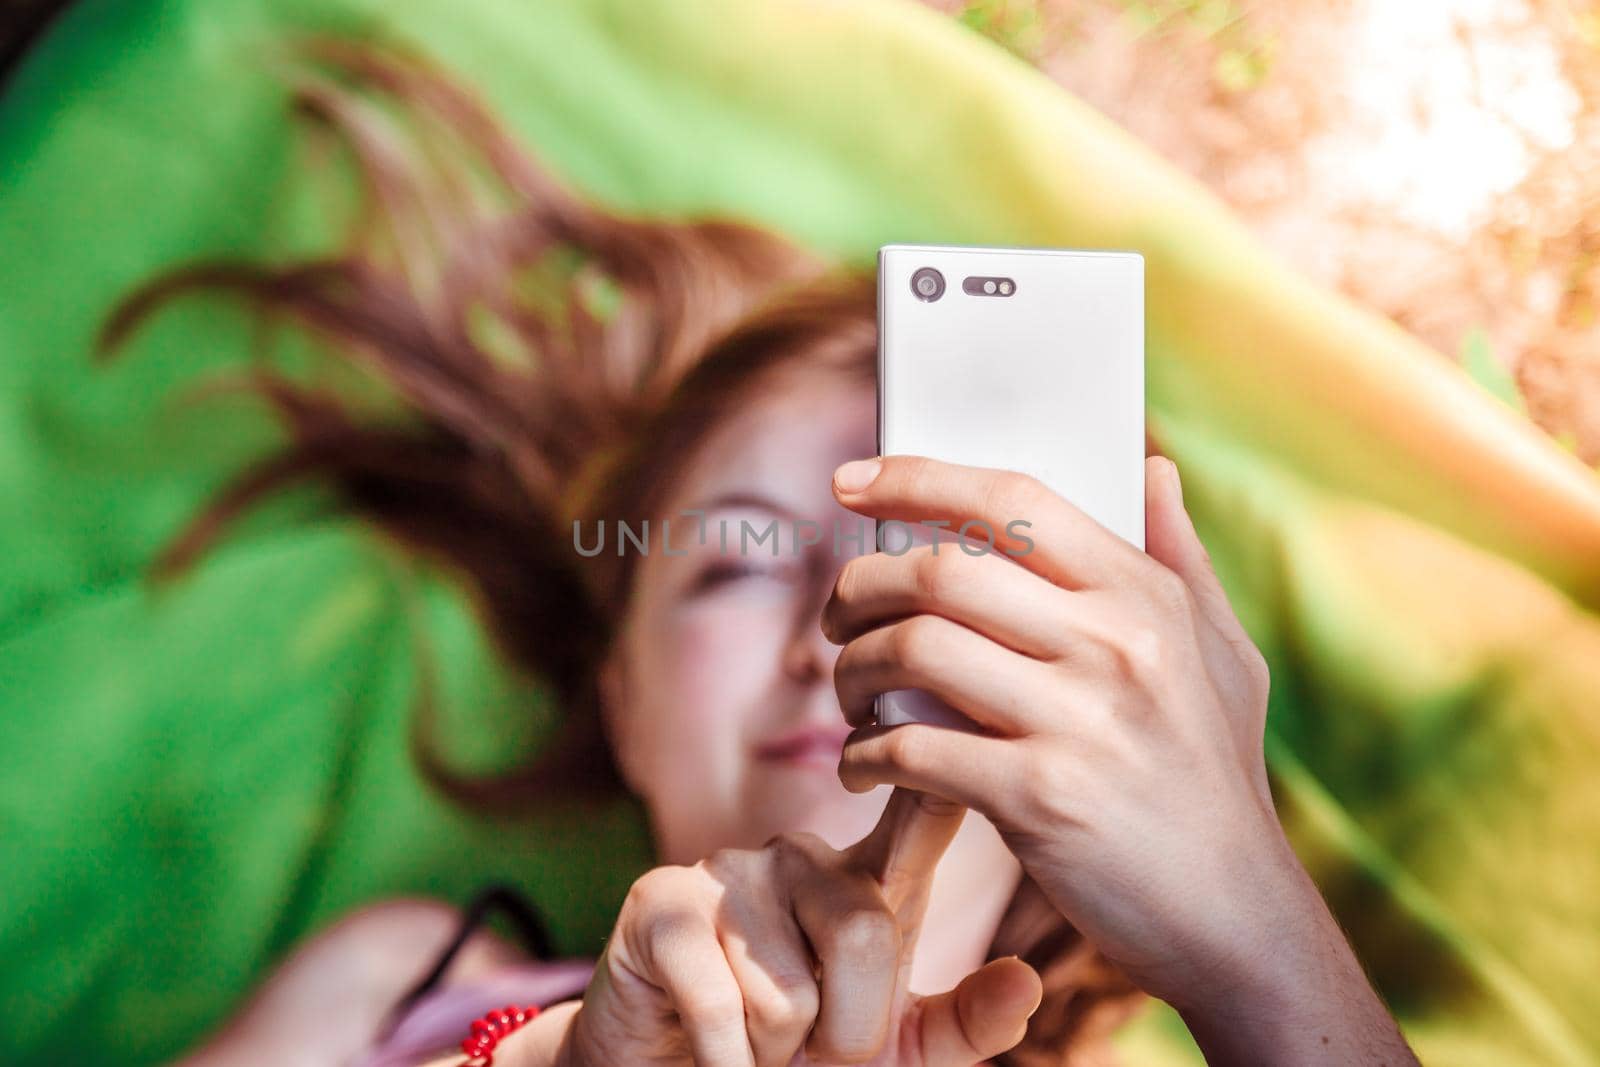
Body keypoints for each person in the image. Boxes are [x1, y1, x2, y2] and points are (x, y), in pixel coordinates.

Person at [114, 44, 1417, 1067]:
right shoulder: (401, 983)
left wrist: (1263, 939)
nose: (841, 627)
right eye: (736, 561)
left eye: (938, 562)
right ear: (621, 701)